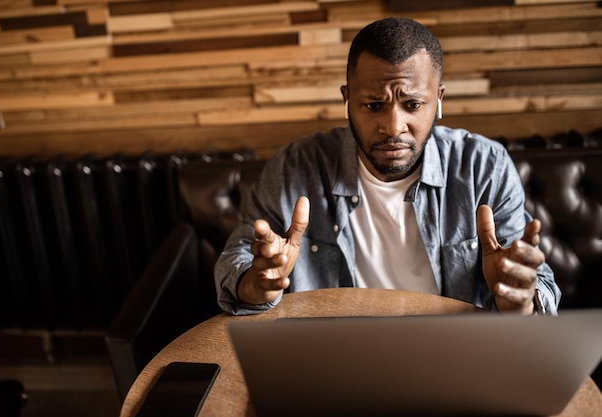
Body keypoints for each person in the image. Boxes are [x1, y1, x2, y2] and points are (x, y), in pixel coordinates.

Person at [214, 17, 561, 316]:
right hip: (333, 355)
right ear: (346, 100)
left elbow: (537, 286)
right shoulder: (296, 165)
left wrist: (521, 302)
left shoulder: (484, 167)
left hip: (455, 354)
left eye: (412, 104)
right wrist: (257, 284)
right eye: (373, 105)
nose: (394, 127)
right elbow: (236, 264)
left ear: (438, 101)